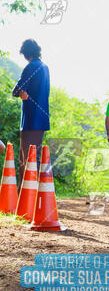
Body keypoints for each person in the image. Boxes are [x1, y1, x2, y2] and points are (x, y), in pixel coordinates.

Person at [12, 39, 50, 188]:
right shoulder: (45, 67)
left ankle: (26, 196)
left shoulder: (31, 67)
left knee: (26, 159)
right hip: (41, 120)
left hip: (30, 120)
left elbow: (16, 90)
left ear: (26, 53)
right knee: (36, 158)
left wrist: (20, 91)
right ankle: (37, 194)